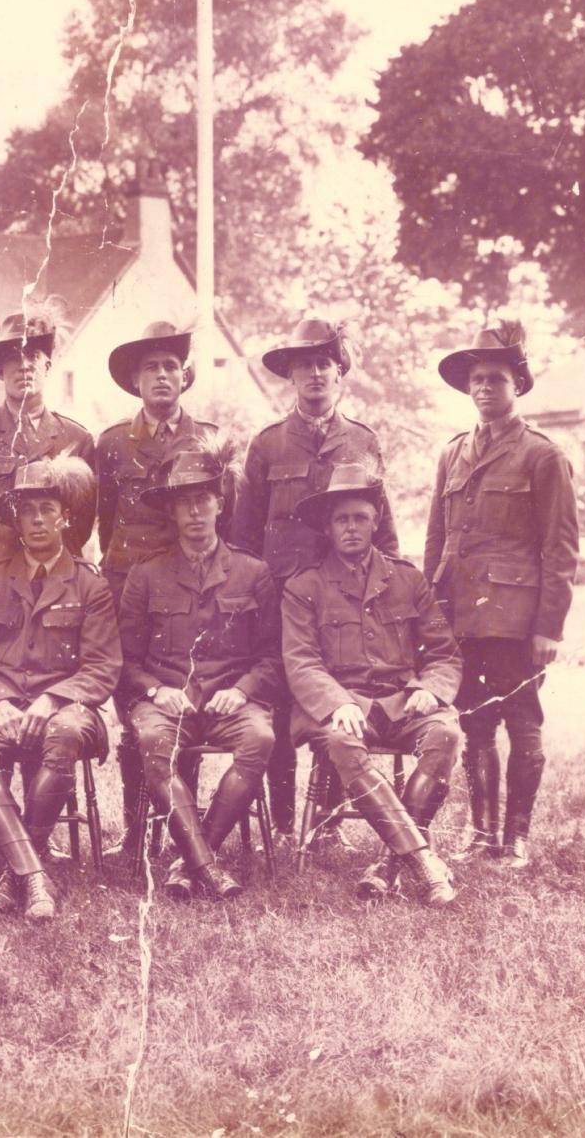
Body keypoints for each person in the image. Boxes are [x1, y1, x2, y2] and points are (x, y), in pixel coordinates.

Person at [233, 317, 397, 837]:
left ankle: (324, 820)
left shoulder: (363, 443)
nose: (315, 375)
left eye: (324, 364)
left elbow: (385, 533)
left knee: (338, 696)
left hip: (345, 602)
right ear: (291, 377)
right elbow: (243, 536)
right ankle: (284, 821)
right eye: (305, 367)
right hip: (282, 598)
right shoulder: (269, 445)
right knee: (280, 706)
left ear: (340, 371)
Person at [424, 321, 578, 869]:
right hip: (459, 614)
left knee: (522, 719)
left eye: (495, 378)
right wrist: (428, 613)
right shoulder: (453, 453)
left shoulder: (542, 456)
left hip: (515, 618)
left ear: (518, 383)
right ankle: (481, 833)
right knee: (473, 720)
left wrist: (549, 628)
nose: (484, 388)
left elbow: (560, 549)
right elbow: (437, 539)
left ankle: (516, 839)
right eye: (476, 381)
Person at [283, 464, 462, 906]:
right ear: (327, 527)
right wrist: (335, 703)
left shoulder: (407, 579)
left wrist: (431, 689)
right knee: (343, 743)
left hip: (402, 704)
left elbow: (444, 652)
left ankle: (388, 864)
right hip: (342, 706)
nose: (350, 528)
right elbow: (301, 660)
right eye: (341, 519)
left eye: (359, 517)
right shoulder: (304, 585)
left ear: (376, 521)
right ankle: (422, 862)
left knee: (446, 732)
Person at [0, 456, 116, 921]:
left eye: (47, 509)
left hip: (67, 706)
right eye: (28, 511)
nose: (38, 519)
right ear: (17, 521)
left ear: (65, 517)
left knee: (62, 733)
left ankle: (14, 876)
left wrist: (53, 698)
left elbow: (102, 668)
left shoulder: (90, 585)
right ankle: (35, 878)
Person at [119, 445, 280, 900]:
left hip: (230, 701)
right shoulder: (146, 574)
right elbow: (125, 661)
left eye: (203, 499)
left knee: (260, 740)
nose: (194, 510)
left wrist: (245, 690)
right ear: (170, 511)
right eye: (183, 502)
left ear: (220, 504)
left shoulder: (253, 572)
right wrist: (154, 691)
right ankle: (208, 868)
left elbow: (274, 656)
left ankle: (192, 859)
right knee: (153, 742)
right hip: (170, 700)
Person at [94, 320, 219, 855]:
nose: (163, 376)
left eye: (171, 366)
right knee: (135, 709)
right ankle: (136, 829)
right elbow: (100, 521)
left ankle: (178, 831)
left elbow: (219, 520)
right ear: (136, 381)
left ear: (184, 375)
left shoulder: (208, 439)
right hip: (127, 589)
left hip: (187, 588)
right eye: (152, 368)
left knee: (185, 705)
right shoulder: (112, 444)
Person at [0, 308, 94, 624]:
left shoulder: (77, 439)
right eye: (12, 357)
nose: (23, 365)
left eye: (33, 355)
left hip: (50, 586)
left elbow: (81, 523)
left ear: (48, 365)